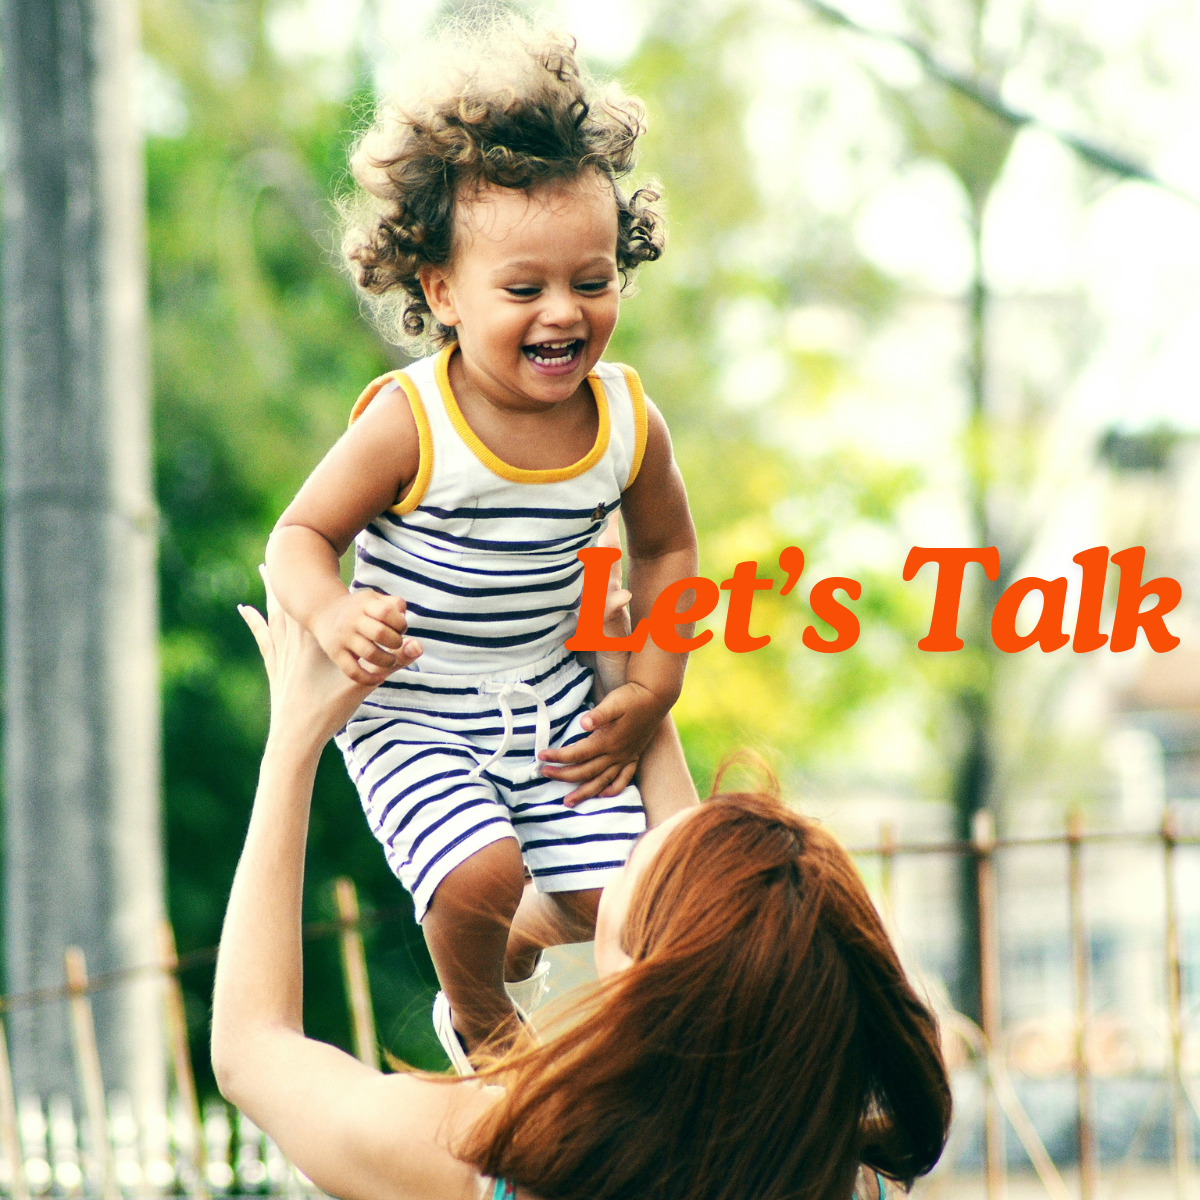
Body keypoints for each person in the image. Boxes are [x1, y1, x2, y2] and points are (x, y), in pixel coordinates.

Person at [213, 584, 952, 1200]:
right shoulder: (847, 1177)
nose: (617, 857)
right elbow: (714, 932)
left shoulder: (489, 1161)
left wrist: (295, 739)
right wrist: (626, 698)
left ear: (639, 980)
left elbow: (252, 1050)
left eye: (629, 868)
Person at [263, 17, 698, 1065]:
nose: (563, 313)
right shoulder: (412, 424)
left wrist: (652, 691)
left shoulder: (628, 421)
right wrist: (334, 611)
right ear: (441, 293)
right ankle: (484, 1026)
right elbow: (297, 536)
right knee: (476, 876)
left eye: (592, 281)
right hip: (416, 705)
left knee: (620, 900)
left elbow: (671, 554)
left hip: (548, 696)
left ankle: (522, 933)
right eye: (524, 290)